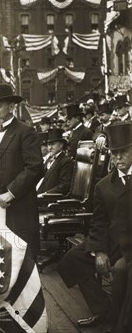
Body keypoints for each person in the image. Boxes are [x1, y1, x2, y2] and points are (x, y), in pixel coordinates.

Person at [58, 122, 132, 331]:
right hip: (111, 241)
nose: (118, 158)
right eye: (114, 153)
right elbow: (99, 221)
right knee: (71, 260)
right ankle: (103, 309)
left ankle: (118, 322)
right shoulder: (104, 185)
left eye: (124, 152)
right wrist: (99, 250)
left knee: (121, 271)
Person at [0, 84, 43, 255]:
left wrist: (10, 193)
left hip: (19, 207)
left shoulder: (25, 131)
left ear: (11, 107)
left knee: (22, 255)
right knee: (4, 257)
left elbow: (35, 167)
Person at [36, 128, 74, 196]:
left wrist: (45, 194)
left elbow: (65, 186)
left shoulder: (66, 161)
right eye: (48, 144)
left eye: (53, 144)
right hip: (38, 194)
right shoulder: (49, 159)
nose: (49, 148)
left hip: (49, 199)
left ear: (61, 145)